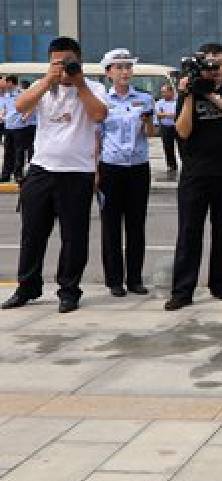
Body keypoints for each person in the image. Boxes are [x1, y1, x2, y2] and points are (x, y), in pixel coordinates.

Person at [1, 37, 108, 314]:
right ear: (49, 62)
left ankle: (69, 290)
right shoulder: (43, 87)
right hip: (41, 169)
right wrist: (48, 80)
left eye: (68, 62)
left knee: (74, 237)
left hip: (77, 172)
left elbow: (99, 115)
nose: (63, 69)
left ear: (79, 61)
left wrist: (79, 82)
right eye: (57, 62)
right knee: (32, 233)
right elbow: (20, 107)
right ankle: (27, 287)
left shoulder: (93, 87)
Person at [165, 42, 222, 311]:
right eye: (209, 64)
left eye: (219, 64)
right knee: (189, 233)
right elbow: (183, 131)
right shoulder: (188, 92)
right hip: (195, 176)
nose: (214, 70)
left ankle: (220, 284)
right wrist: (190, 95)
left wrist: (212, 96)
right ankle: (182, 291)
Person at [97, 48, 155, 298]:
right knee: (111, 226)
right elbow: (96, 137)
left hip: (138, 168)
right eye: (119, 67)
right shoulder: (102, 101)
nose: (125, 71)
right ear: (108, 72)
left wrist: (147, 122)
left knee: (136, 225)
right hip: (110, 168)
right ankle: (114, 280)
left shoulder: (144, 99)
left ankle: (135, 279)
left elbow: (151, 133)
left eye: (128, 66)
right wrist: (95, 170)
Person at [155, 84, 178, 178]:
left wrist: (165, 114)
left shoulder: (177, 102)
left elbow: (177, 114)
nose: (163, 94)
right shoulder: (159, 103)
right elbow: (158, 114)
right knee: (168, 146)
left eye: (165, 92)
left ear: (171, 92)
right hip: (166, 126)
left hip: (177, 126)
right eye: (162, 92)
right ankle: (171, 165)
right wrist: (170, 114)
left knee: (182, 146)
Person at [0, 75, 20, 182]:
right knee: (8, 152)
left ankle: (17, 174)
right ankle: (6, 175)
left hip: (19, 128)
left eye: (6, 82)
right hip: (8, 127)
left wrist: (23, 118)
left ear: (11, 83)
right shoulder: (6, 96)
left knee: (18, 152)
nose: (5, 85)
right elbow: (4, 109)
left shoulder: (21, 93)